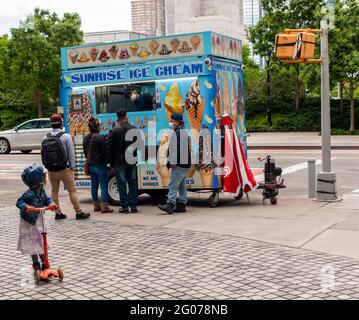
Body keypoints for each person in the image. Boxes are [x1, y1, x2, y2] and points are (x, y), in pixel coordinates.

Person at [42, 114, 90, 220]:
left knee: (54, 191)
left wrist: (45, 169)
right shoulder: (66, 136)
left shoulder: (46, 136)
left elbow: (43, 154)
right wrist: (73, 167)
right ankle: (78, 212)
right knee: (72, 191)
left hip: (51, 170)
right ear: (61, 123)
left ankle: (58, 213)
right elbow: (71, 153)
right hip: (64, 169)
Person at [16, 164, 58, 273]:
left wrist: (52, 204)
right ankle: (35, 263)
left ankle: (44, 262)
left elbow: (47, 200)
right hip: (28, 222)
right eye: (44, 177)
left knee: (41, 240)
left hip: (38, 219)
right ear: (38, 180)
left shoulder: (41, 191)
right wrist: (26, 207)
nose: (46, 179)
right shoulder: (29, 194)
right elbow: (19, 202)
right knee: (32, 242)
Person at [108, 109, 141, 213]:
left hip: (119, 161)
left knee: (121, 183)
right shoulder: (134, 129)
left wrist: (111, 162)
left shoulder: (114, 131)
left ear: (117, 119)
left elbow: (110, 148)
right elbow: (139, 145)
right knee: (132, 182)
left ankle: (125, 207)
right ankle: (134, 206)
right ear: (126, 116)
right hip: (131, 160)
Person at [158, 113, 191, 214]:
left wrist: (172, 161)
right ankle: (182, 204)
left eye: (172, 121)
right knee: (181, 185)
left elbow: (176, 149)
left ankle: (170, 204)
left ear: (177, 122)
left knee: (173, 185)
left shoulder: (178, 133)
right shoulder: (184, 132)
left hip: (179, 164)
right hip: (185, 163)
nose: (171, 123)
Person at [83, 117, 113, 213]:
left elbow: (85, 152)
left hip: (90, 165)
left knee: (94, 186)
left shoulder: (85, 138)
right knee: (104, 185)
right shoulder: (100, 137)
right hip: (100, 164)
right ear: (97, 127)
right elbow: (105, 152)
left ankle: (96, 206)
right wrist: (108, 161)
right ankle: (105, 206)